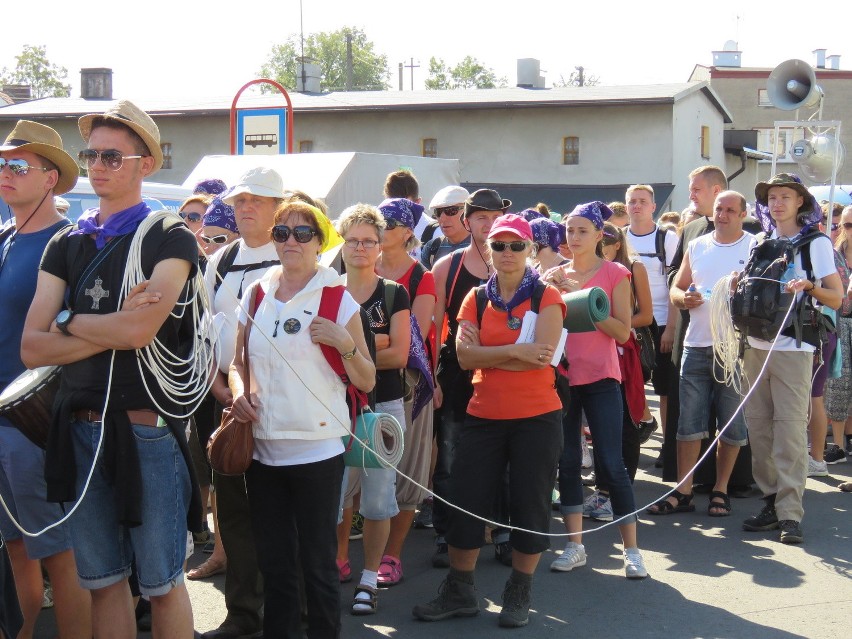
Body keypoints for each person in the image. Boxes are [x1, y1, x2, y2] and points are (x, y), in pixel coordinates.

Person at [20, 100, 203, 637]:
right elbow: (32, 348)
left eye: (112, 156)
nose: (98, 165)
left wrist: (69, 320)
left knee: (163, 584)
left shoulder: (170, 236)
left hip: (146, 425)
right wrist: (108, 323)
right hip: (79, 426)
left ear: (146, 164)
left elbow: (138, 333)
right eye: (91, 154)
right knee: (102, 582)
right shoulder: (67, 240)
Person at [412, 214, 565, 628]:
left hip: (537, 417)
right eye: (499, 245)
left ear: (530, 249)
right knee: (466, 502)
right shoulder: (475, 298)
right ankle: (460, 590)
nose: (507, 253)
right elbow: (464, 358)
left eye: (517, 245)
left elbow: (544, 355)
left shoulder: (546, 297)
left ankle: (519, 591)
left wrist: (492, 356)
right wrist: (516, 352)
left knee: (529, 505)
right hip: (483, 415)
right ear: (489, 250)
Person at [228, 200, 372, 639]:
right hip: (264, 451)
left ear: (320, 241)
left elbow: (365, 378)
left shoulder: (336, 297)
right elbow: (236, 363)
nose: (291, 241)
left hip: (317, 449)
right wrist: (238, 395)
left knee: (317, 565)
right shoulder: (255, 292)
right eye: (282, 233)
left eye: (303, 233)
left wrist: (345, 343)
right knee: (275, 566)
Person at [0, 121, 92, 639]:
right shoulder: (6, 237)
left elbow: (79, 330)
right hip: (3, 422)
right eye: (1, 165)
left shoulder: (68, 243)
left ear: (51, 179)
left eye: (18, 166)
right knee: (16, 549)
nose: (5, 174)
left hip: (36, 423)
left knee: (60, 553)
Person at [202, 166, 287, 639]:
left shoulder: (294, 253)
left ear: (278, 205)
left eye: (257, 199)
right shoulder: (223, 258)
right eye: (240, 200)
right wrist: (218, 386)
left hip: (281, 410)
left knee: (281, 515)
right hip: (228, 405)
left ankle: (287, 611)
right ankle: (242, 615)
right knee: (233, 514)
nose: (246, 207)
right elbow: (205, 327)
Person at [545, 201, 648, 580]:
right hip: (564, 379)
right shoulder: (553, 274)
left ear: (599, 234)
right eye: (569, 231)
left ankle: (632, 551)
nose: (573, 237)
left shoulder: (615, 272)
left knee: (611, 463)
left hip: (603, 378)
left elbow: (624, 331)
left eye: (581, 231)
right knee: (568, 463)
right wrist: (551, 293)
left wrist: (585, 302)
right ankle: (575, 546)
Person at [739, 173, 843, 544]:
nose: (777, 202)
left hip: (794, 348)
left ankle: (790, 514)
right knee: (760, 429)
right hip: (755, 345)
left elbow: (837, 296)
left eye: (785, 196)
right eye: (772, 197)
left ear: (800, 201)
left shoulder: (815, 242)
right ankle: (770, 501)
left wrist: (810, 286)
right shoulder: (760, 241)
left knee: (789, 431)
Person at [648, 191, 754, 517]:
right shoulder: (698, 244)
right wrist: (684, 298)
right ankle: (683, 491)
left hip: (735, 349)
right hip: (696, 345)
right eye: (719, 209)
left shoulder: (754, 246)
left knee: (731, 427)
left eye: (730, 210)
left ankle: (721, 489)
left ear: (742, 214)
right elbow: (677, 287)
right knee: (687, 425)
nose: (722, 215)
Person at [335, 203, 410, 615]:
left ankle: (369, 580)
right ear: (342, 245)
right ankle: (338, 561)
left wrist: (347, 351)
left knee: (379, 496)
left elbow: (399, 354)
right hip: (336, 405)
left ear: (380, 247)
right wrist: (368, 348)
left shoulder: (394, 292)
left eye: (368, 241)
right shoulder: (328, 289)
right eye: (353, 241)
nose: (360, 248)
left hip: (383, 404)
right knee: (337, 494)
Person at [429, 188, 510, 568]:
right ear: (468, 221)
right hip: (457, 370)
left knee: (505, 457)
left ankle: (504, 532)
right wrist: (433, 375)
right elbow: (432, 325)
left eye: (495, 217)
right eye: (481, 217)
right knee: (450, 456)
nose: (489, 224)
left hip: (506, 372)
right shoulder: (448, 266)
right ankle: (450, 534)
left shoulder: (517, 265)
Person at [374, 198, 436, 586]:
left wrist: (355, 340)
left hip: (407, 383)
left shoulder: (420, 276)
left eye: (391, 222)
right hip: (359, 378)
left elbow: (417, 334)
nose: (382, 229)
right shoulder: (351, 261)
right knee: (357, 469)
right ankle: (346, 553)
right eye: (378, 220)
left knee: (405, 471)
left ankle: (393, 555)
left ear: (409, 231)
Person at [186, 195, 241, 582]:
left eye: (220, 239)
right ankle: (221, 552)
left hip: (256, 390)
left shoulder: (260, 260)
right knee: (219, 470)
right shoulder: (209, 267)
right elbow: (199, 329)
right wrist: (215, 382)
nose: (210, 246)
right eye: (206, 237)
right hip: (212, 386)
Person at [625, 184, 679, 446]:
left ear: (653, 207)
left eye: (642, 201)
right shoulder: (620, 237)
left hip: (661, 321)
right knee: (632, 381)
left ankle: (667, 445)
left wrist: (670, 328)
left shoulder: (666, 238)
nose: (637, 206)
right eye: (632, 201)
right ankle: (639, 428)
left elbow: (675, 283)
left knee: (665, 388)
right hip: (631, 321)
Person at [807, 201, 847, 474]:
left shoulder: (824, 251)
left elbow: (837, 298)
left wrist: (810, 288)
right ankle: (813, 456)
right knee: (811, 396)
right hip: (819, 328)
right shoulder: (830, 250)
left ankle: (817, 458)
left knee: (813, 396)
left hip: (820, 328)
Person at [823, 204, 852, 465]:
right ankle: (839, 445)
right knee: (838, 385)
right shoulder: (834, 256)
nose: (849, 230)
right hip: (841, 323)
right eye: (846, 225)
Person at [383, 170, 442, 250]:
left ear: (417, 203)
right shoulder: (379, 228)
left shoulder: (434, 232)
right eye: (392, 205)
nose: (397, 211)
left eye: (404, 206)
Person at [420, 185, 471, 268]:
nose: (442, 218)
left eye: (451, 211)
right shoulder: (432, 247)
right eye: (438, 212)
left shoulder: (484, 247)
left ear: (467, 211)